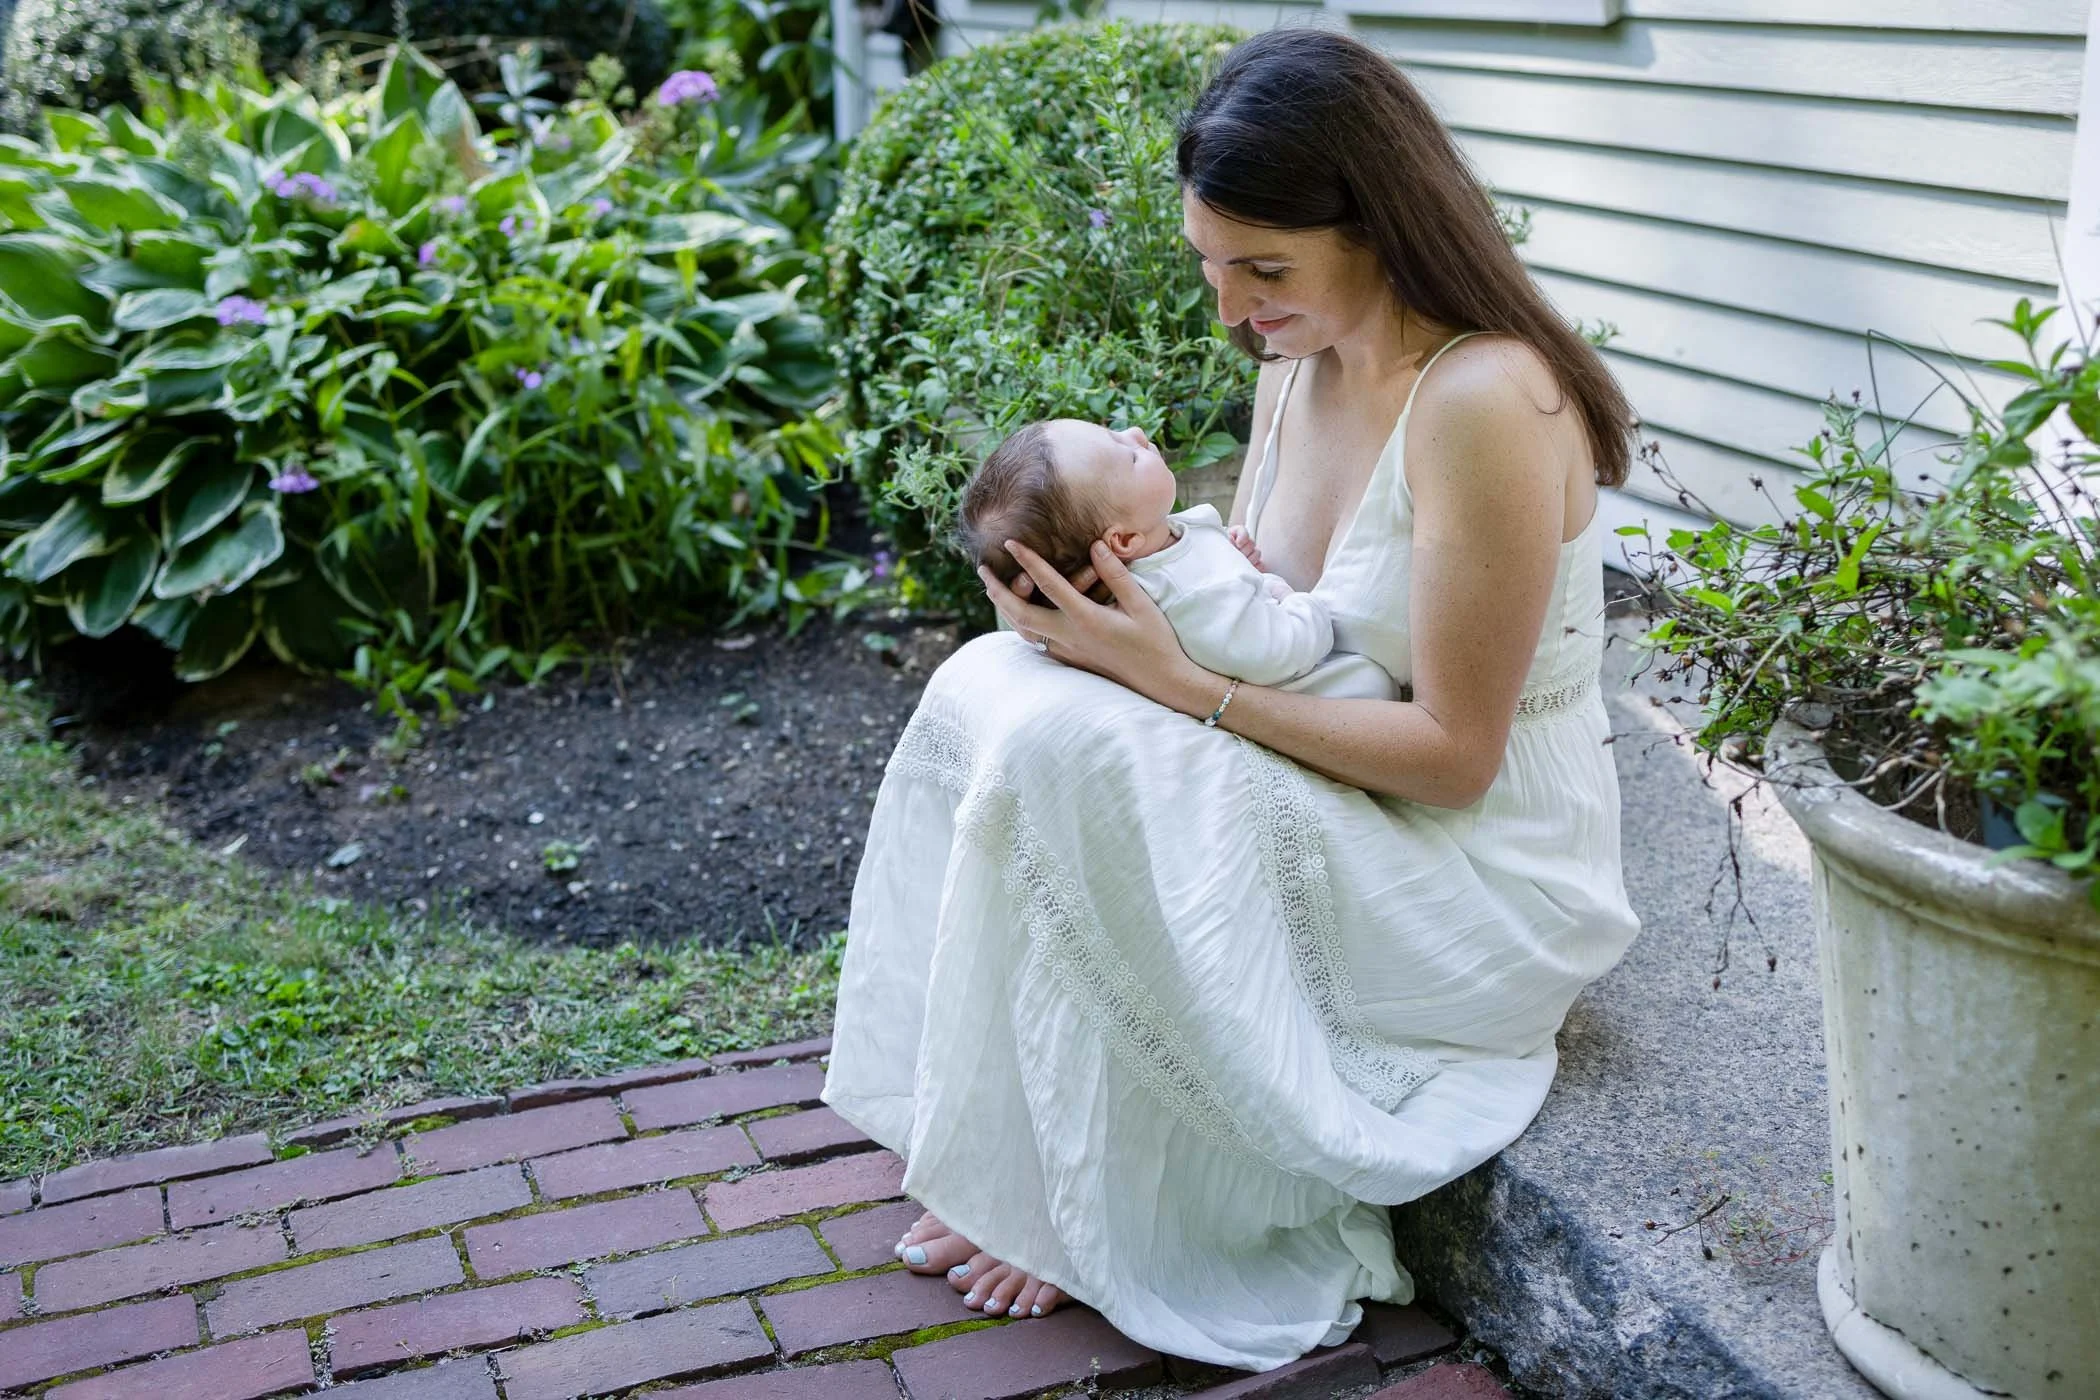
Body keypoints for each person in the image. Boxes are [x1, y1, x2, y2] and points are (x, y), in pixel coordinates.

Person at [821, 24, 1643, 1373]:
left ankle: (1090, 1205)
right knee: (998, 688)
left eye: (1264, 269)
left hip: (1482, 864)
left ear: (1380, 225)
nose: (1229, 310)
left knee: (1086, 758)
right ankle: (1028, 1151)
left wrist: (1176, 685)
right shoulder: (1299, 366)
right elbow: (1268, 618)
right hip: (1345, 783)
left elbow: (1452, 759)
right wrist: (1082, 619)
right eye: (1214, 267)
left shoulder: (1489, 400)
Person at [956, 417, 1403, 699]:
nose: (1137, 435)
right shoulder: (1193, 594)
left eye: (1114, 430)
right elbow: (1277, 652)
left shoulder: (1161, 541)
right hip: (1327, 695)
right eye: (1129, 456)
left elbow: (1209, 557)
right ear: (1124, 541)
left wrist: (1236, 555)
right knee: (1373, 681)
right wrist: (1292, 599)